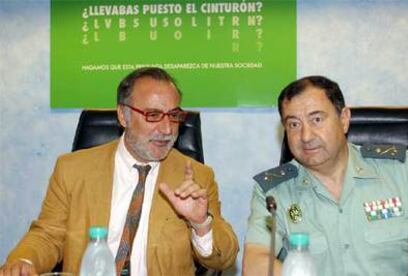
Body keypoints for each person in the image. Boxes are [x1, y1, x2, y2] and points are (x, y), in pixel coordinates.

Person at [0, 67, 238, 276]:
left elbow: (223, 258)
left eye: (174, 116)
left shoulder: (196, 176)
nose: (167, 129)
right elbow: (47, 235)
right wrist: (24, 261)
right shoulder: (72, 169)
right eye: (153, 115)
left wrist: (200, 223)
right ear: (123, 115)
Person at [242, 76, 408, 275]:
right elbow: (256, 261)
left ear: (344, 119)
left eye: (317, 119)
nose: (306, 136)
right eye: (294, 125)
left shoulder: (401, 169)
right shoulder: (274, 193)